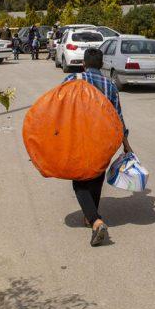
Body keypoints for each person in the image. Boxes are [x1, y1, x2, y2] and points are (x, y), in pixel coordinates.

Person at [63, 48, 133, 246]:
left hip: (79, 138)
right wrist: (125, 144)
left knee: (79, 182)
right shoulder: (110, 85)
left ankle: (95, 220)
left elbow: (60, 107)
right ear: (101, 64)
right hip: (103, 140)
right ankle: (90, 216)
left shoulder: (72, 80)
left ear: (83, 64)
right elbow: (117, 117)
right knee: (96, 177)